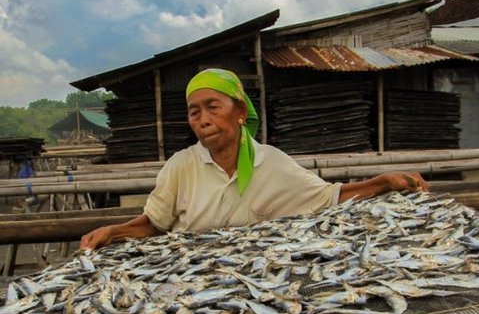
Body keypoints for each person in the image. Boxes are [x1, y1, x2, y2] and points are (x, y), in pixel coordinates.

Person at [79, 68, 429, 250]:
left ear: (240, 112)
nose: (202, 119)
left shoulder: (273, 163)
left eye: (212, 107)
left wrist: (383, 182)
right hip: (188, 271)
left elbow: (330, 198)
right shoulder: (182, 166)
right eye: (194, 112)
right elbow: (153, 225)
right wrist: (114, 231)